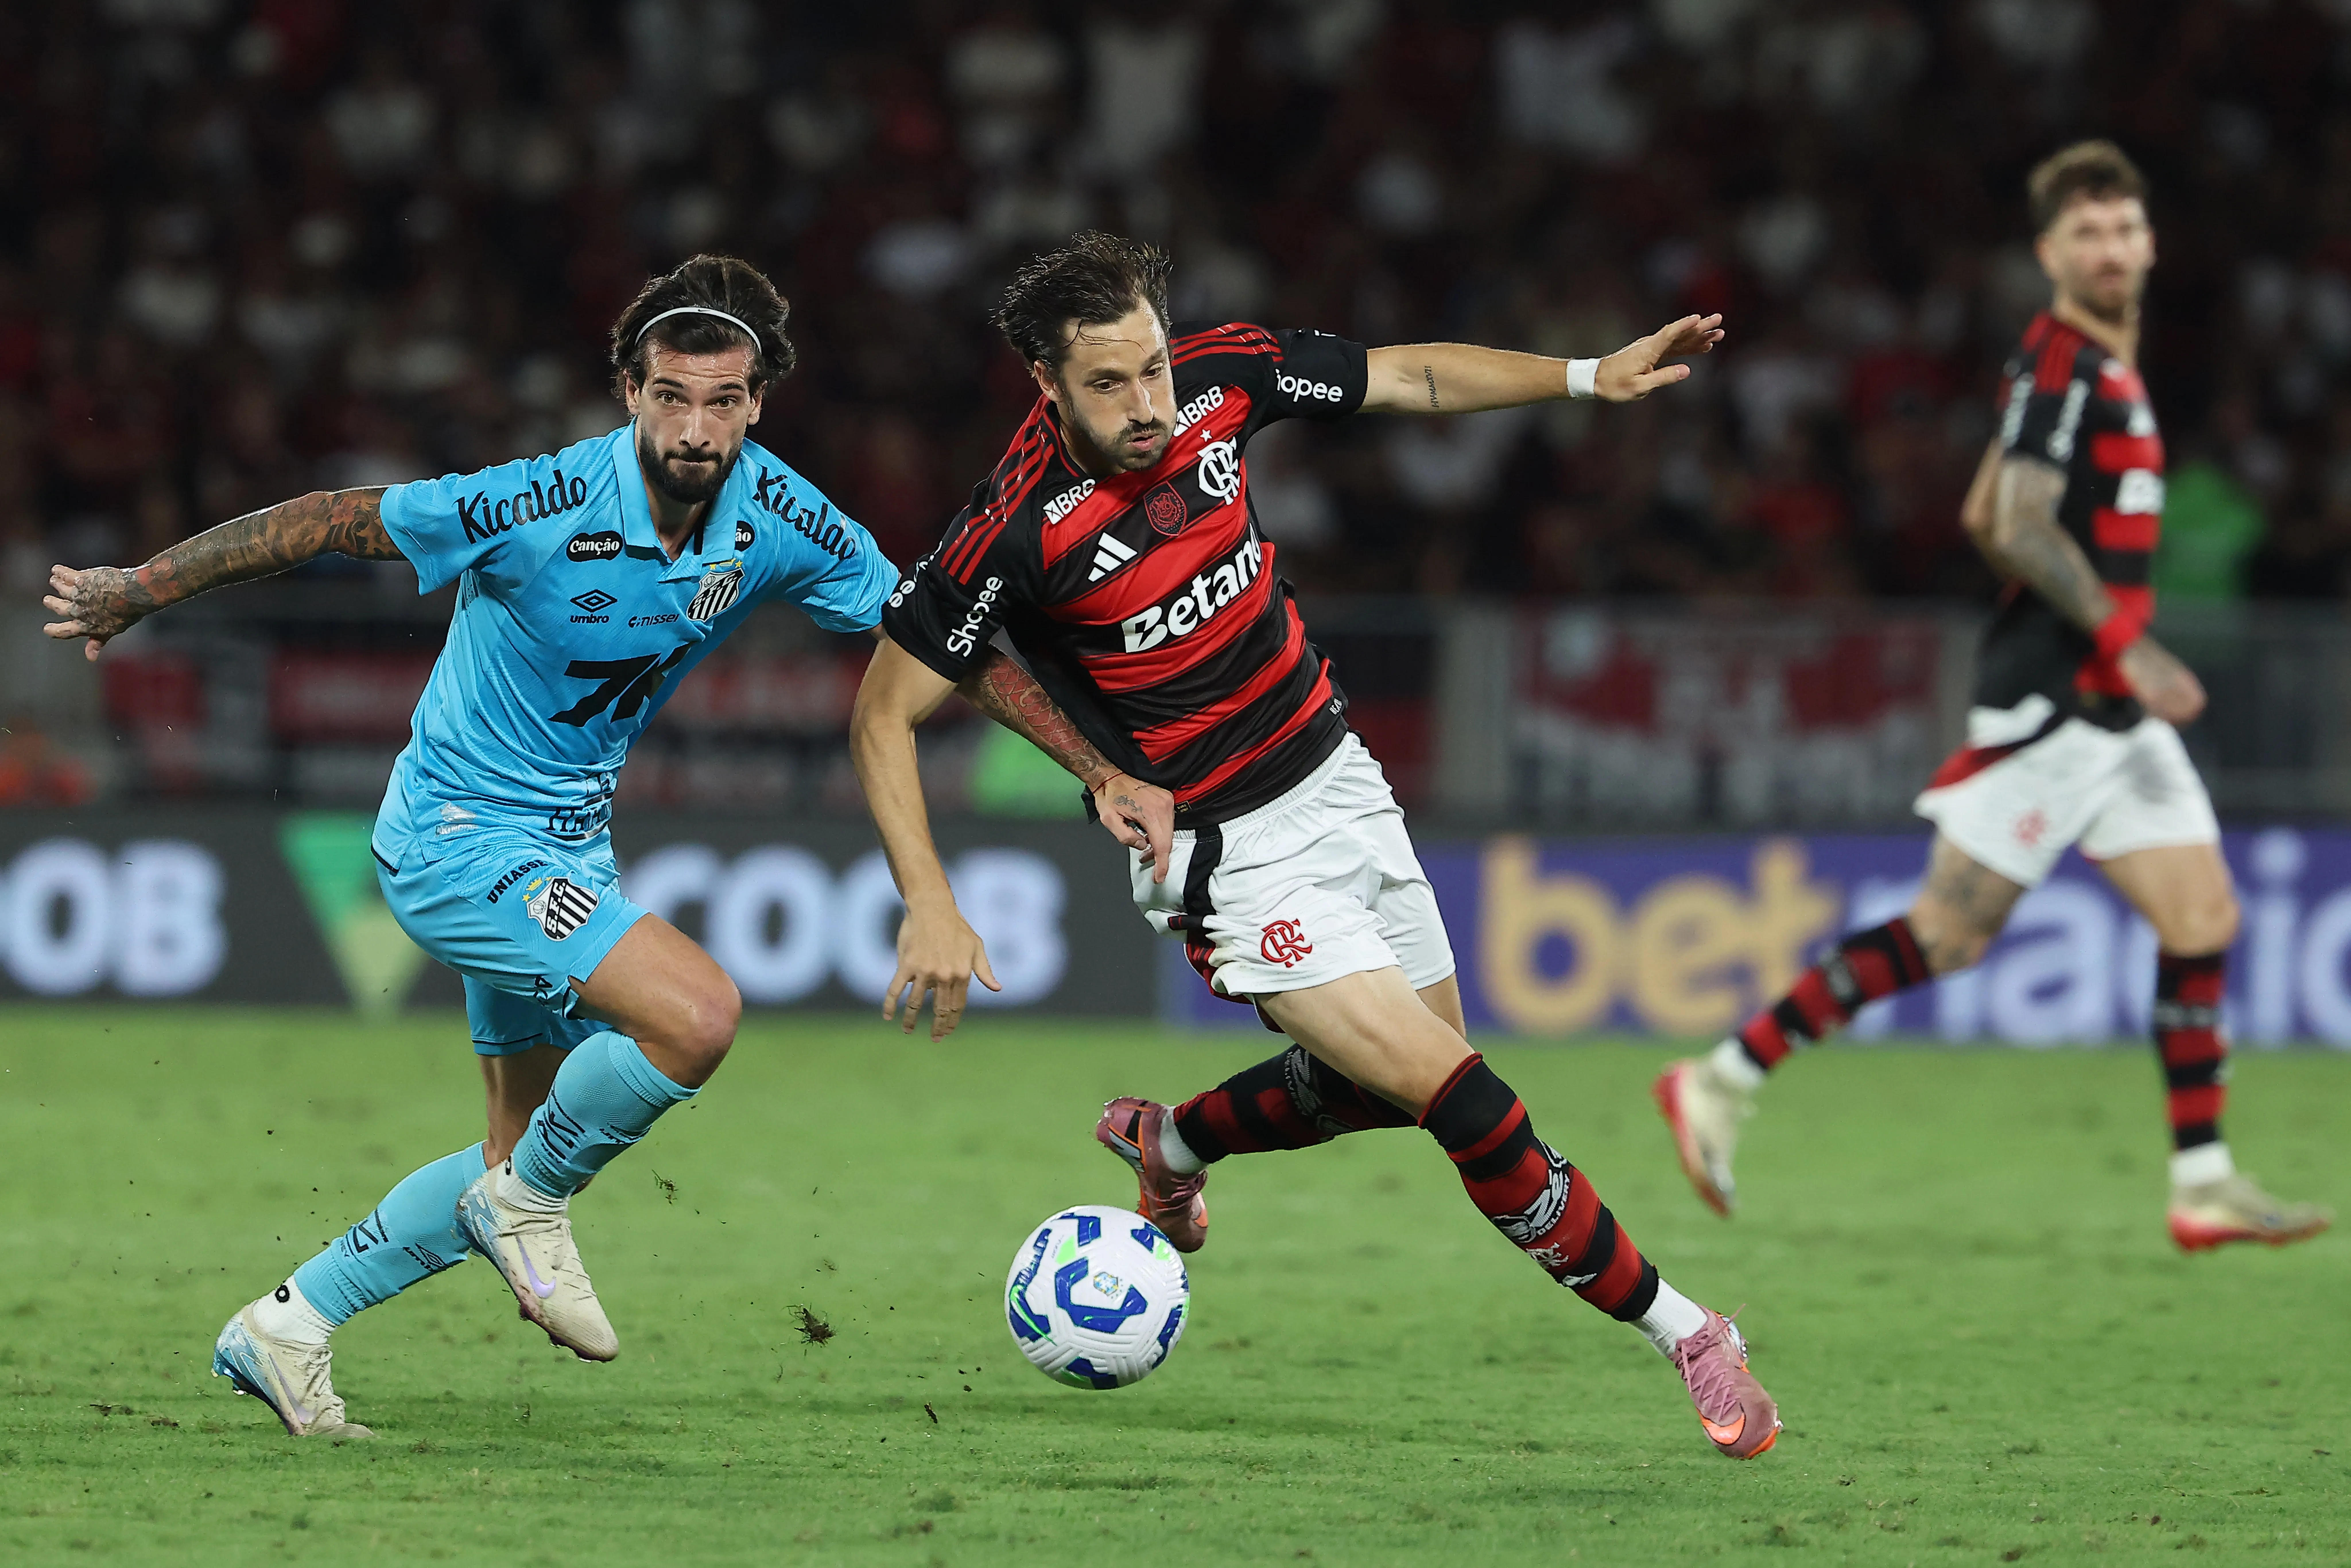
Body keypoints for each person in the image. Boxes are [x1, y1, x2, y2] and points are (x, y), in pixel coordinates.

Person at [40, 254, 1162, 1439]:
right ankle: (524, 1209)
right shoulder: (534, 504)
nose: (694, 425)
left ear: (756, 402)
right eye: (670, 396)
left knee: (512, 1152)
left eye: (720, 400)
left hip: (570, 850)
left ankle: (290, 1324)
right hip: (456, 838)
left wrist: (1095, 768)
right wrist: (140, 587)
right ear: (630, 392)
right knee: (696, 1017)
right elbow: (328, 521)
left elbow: (939, 638)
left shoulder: (778, 515)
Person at [850, 232, 1781, 1460]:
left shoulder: (1224, 380)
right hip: (1230, 856)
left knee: (1399, 1088)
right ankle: (1689, 1331)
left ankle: (1166, 1141)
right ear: (1044, 383)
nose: (1148, 405)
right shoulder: (1012, 527)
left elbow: (1407, 378)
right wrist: (931, 894)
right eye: (1109, 384)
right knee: (1469, 1105)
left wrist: (1583, 377)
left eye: (1153, 368)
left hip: (1340, 778)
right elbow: (885, 711)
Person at [1655, 143, 2332, 1253]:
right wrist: (2133, 643)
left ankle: (2203, 1179)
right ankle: (1721, 1078)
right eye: (2089, 235)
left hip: (2111, 707)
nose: (2112, 250)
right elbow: (2017, 524)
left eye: (2126, 229)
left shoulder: (2102, 365)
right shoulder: (2062, 360)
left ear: (2149, 241)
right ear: (2049, 254)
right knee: (1948, 938)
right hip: (2059, 704)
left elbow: (1985, 513)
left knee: (2205, 916)